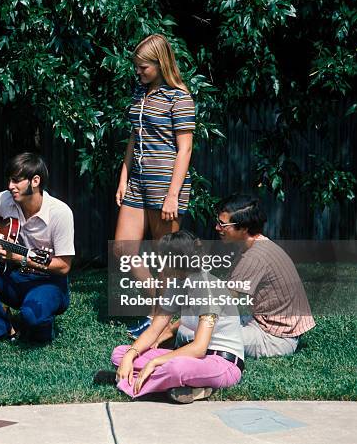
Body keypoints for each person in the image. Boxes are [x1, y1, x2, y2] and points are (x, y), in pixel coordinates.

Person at [114, 35, 195, 339]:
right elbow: (134, 138)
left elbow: (185, 149)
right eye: (136, 67)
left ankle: (159, 320)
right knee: (124, 249)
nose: (138, 72)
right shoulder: (140, 92)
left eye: (143, 67)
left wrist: (173, 194)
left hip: (166, 185)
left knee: (166, 258)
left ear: (161, 64)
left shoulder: (179, 97)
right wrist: (124, 176)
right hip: (137, 182)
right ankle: (159, 307)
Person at [107, 230, 244, 404]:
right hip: (192, 358)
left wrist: (155, 362)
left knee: (175, 368)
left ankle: (142, 382)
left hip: (222, 363)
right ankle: (188, 387)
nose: (159, 264)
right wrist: (129, 356)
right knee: (119, 353)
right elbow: (154, 329)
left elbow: (199, 348)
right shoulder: (177, 284)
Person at [0, 153, 74, 344]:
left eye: (16, 181)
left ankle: (41, 320)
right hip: (14, 276)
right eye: (9, 180)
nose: (10, 186)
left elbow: (63, 266)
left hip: (48, 282)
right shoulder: (5, 200)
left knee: (32, 318)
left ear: (35, 181)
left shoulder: (60, 213)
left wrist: (21, 259)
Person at [215, 194, 315, 358]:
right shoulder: (257, 244)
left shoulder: (254, 257)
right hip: (264, 323)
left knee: (198, 335)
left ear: (245, 228)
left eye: (222, 224)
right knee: (199, 327)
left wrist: (172, 328)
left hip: (275, 339)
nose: (217, 228)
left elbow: (220, 303)